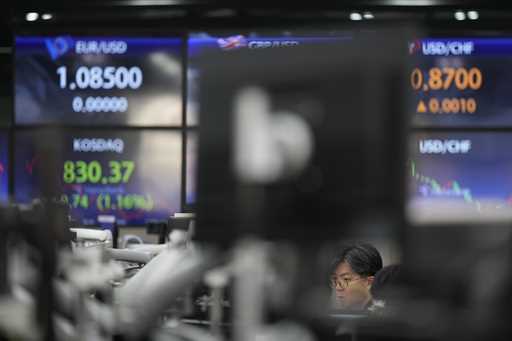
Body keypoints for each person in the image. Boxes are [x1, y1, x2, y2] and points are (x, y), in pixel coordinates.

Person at [329, 242, 383, 311]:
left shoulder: (383, 317)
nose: (338, 288)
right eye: (335, 280)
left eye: (346, 279)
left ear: (370, 283)